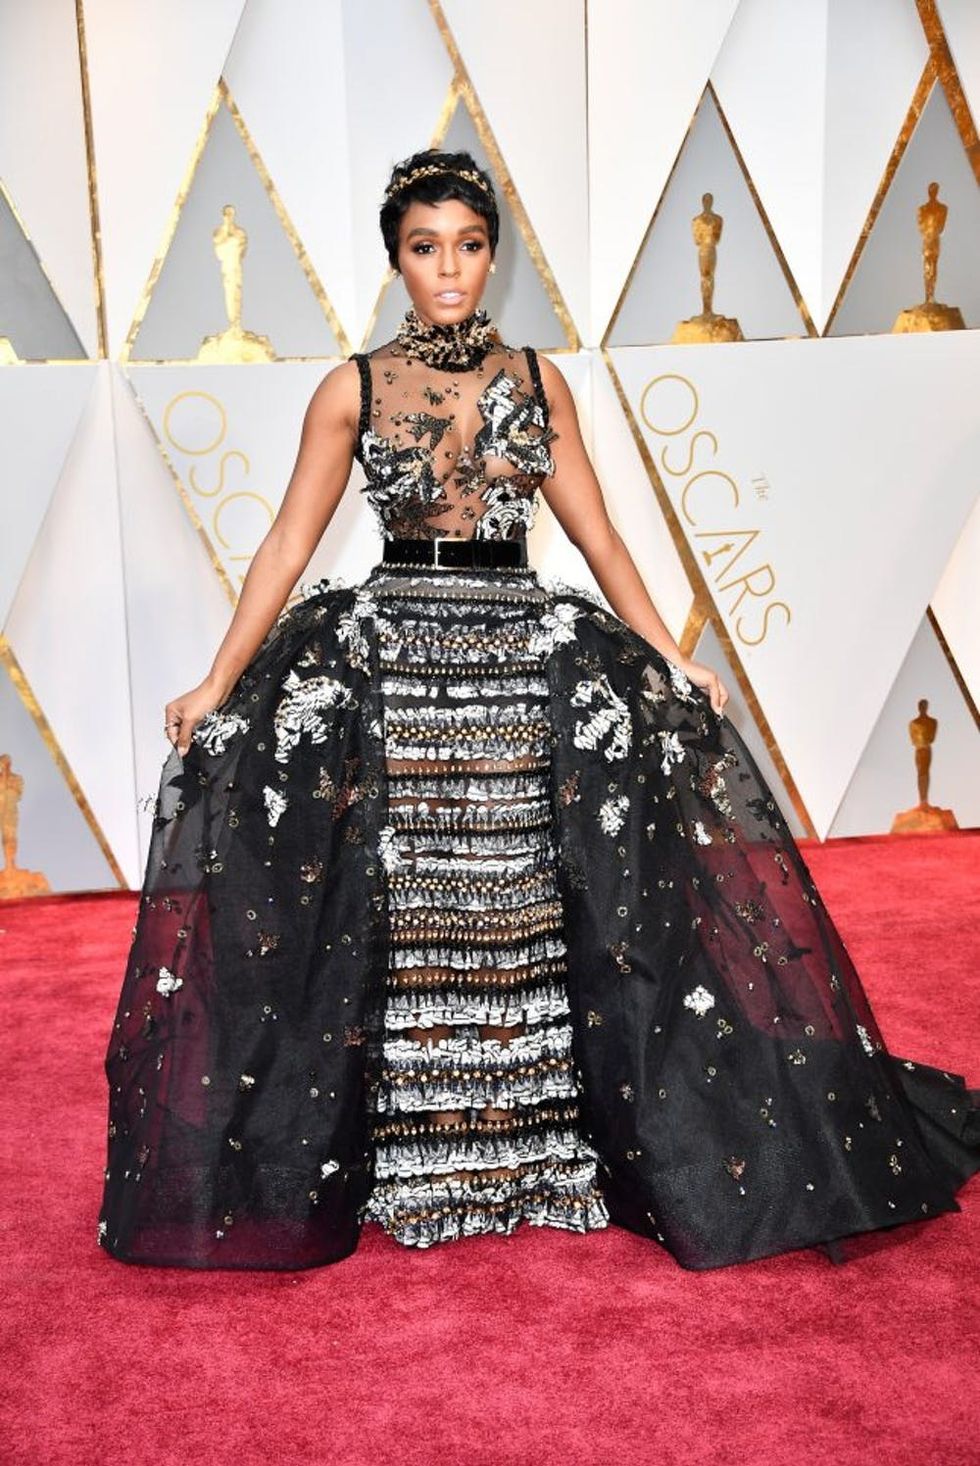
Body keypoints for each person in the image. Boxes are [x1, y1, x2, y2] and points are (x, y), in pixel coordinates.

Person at [97, 148, 979, 1272]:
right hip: (399, 670)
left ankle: (539, 1148)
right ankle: (412, 1154)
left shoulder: (536, 379)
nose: (447, 269)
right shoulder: (351, 387)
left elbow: (599, 535)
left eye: (467, 245)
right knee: (418, 909)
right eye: (424, 248)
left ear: (493, 256)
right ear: (395, 261)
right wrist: (217, 680)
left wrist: (669, 653)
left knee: (519, 905)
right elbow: (286, 541)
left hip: (521, 659)